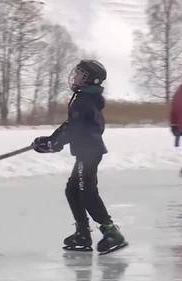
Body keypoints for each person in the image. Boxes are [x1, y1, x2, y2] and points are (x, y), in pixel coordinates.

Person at [31, 60, 128, 255]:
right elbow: (70, 125)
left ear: (88, 79)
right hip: (87, 151)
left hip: (89, 152)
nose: (74, 77)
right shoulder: (83, 98)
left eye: (79, 74)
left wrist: (53, 144)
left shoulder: (83, 101)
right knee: (72, 191)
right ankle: (82, 233)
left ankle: (111, 232)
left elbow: (75, 129)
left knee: (87, 193)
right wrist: (51, 140)